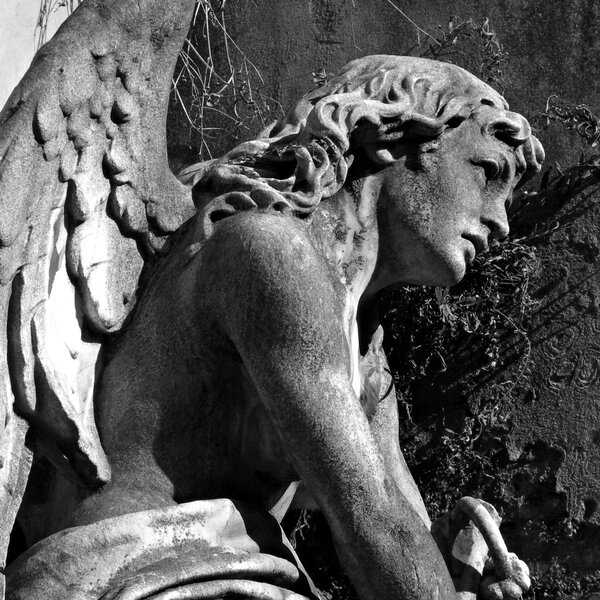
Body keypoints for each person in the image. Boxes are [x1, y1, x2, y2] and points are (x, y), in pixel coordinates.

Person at [6, 55, 543, 600]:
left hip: (238, 571)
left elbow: (402, 536)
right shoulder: (271, 254)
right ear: (393, 139)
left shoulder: (366, 355)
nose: (501, 218)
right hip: (141, 568)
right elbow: (371, 520)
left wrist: (457, 571)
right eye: (488, 172)